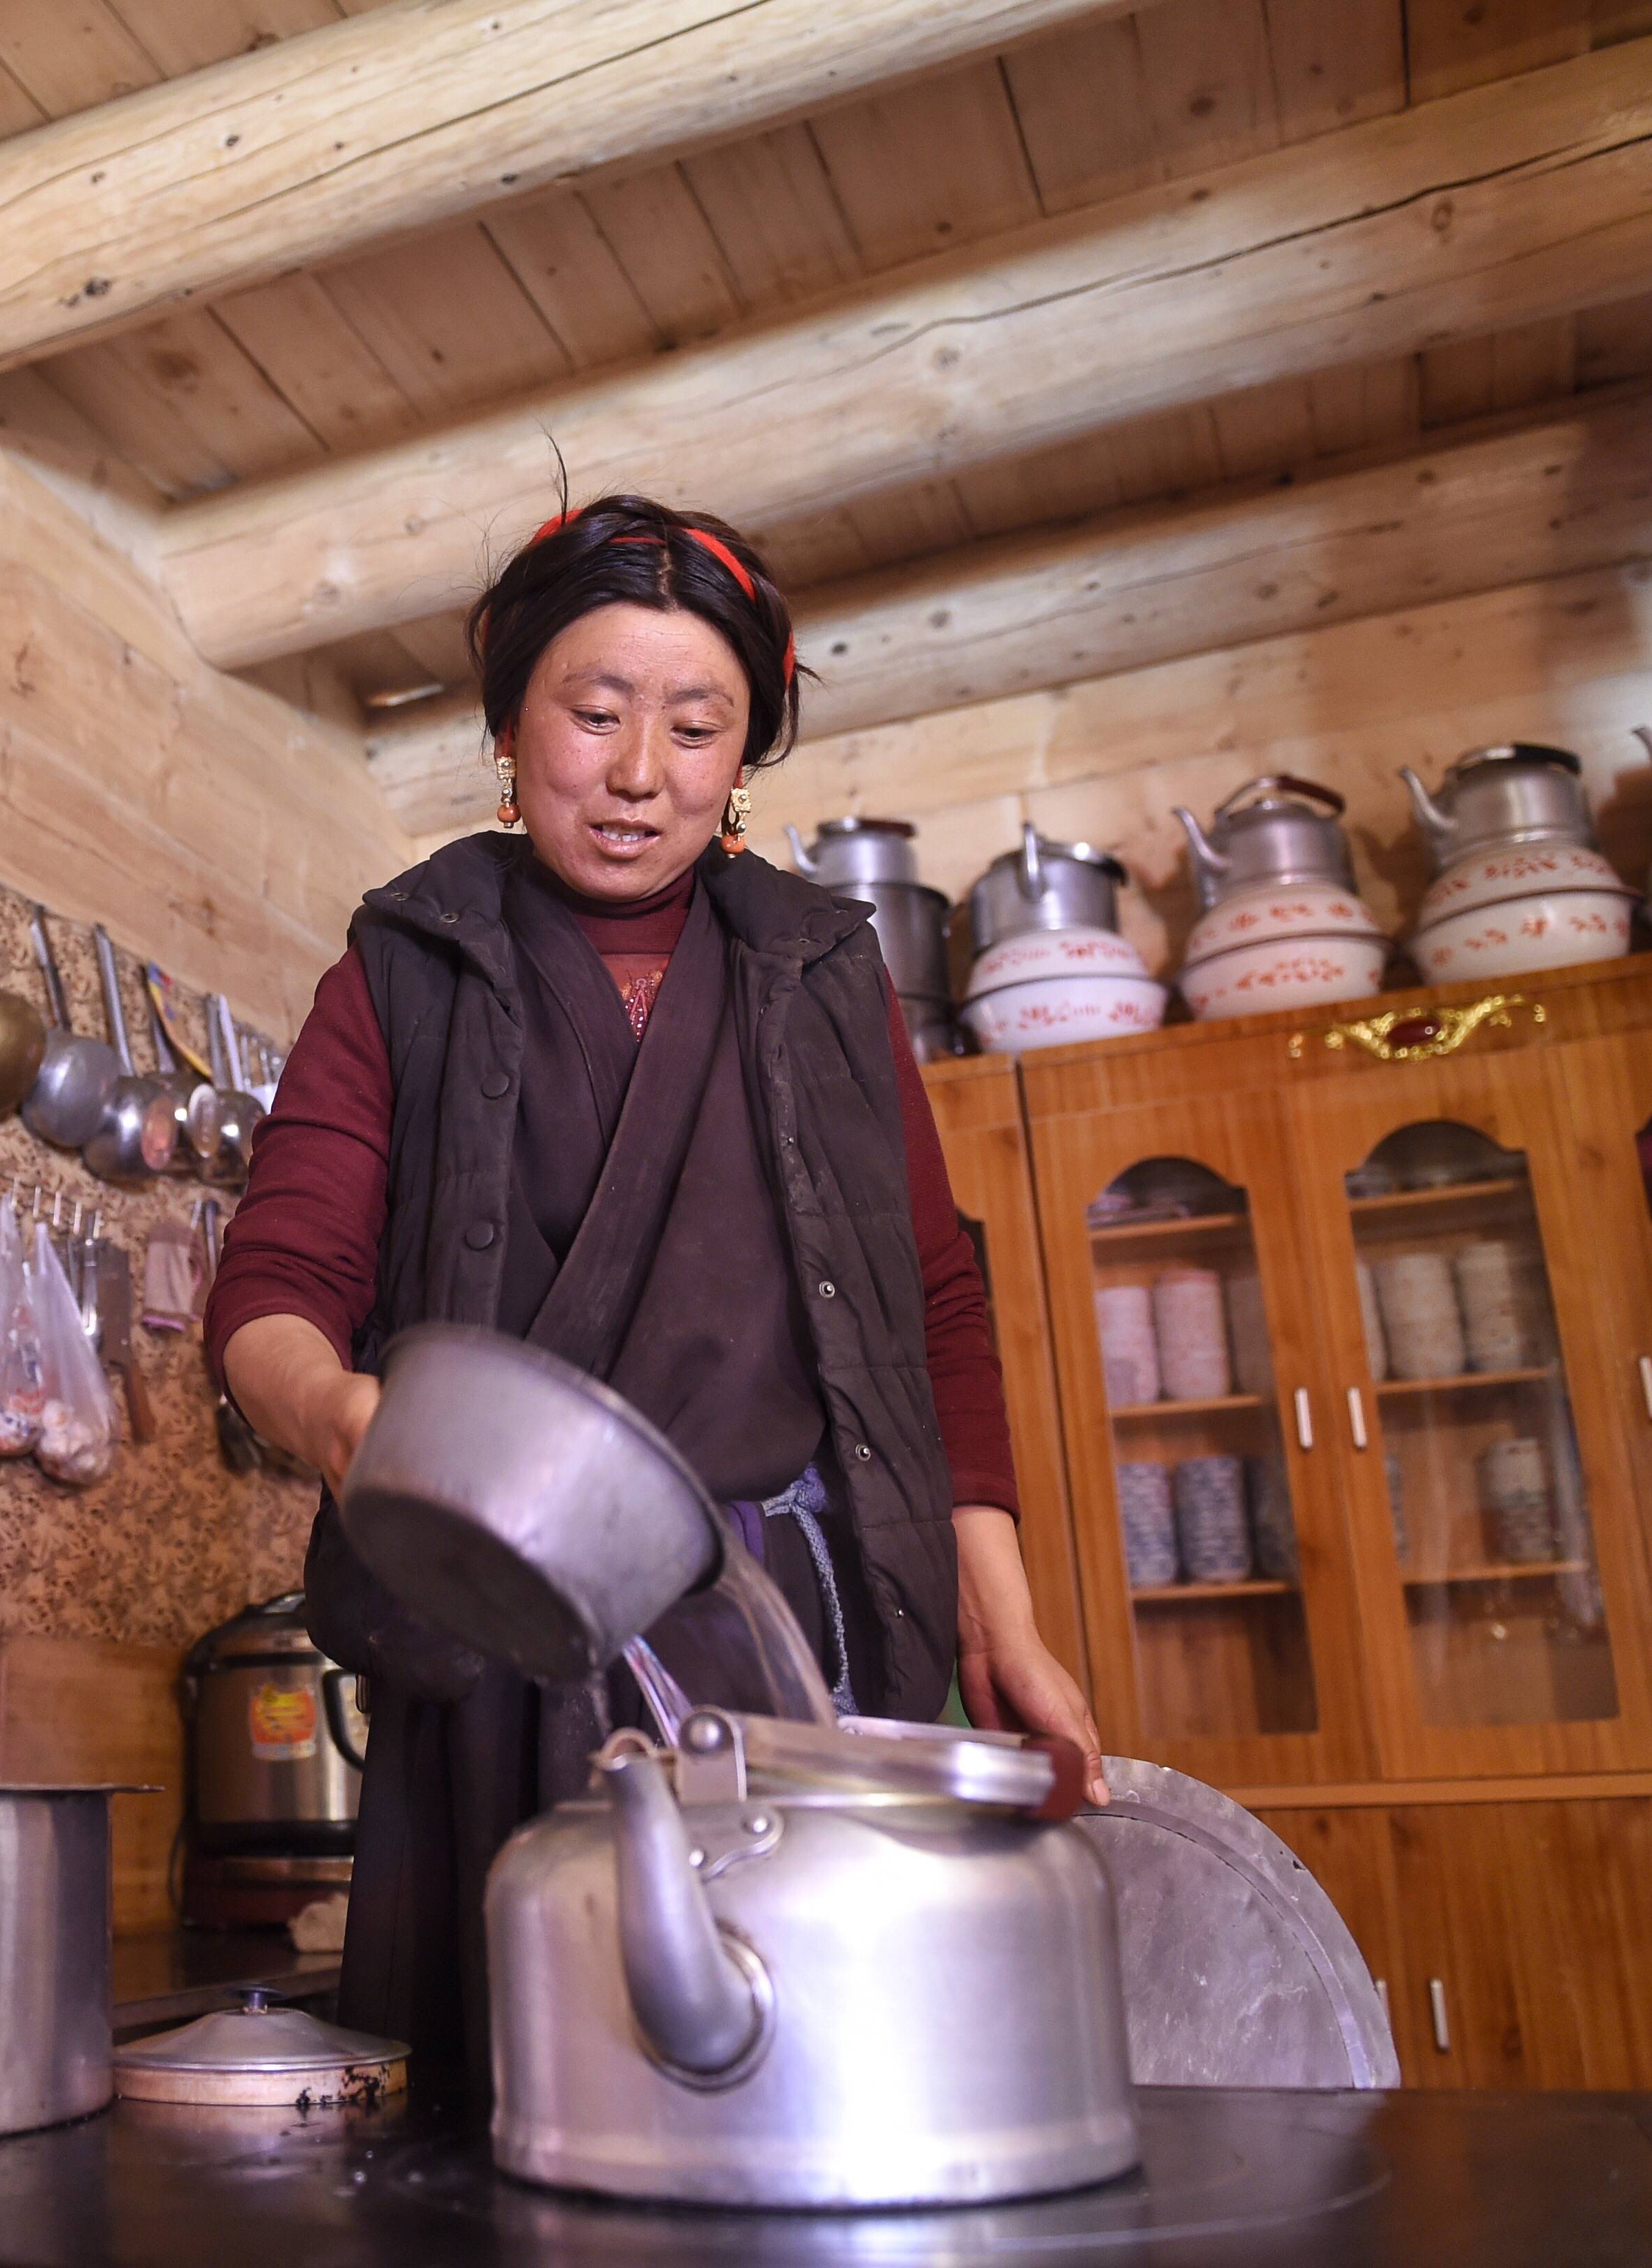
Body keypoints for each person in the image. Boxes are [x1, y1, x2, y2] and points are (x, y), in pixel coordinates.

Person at [203, 494, 1101, 2097]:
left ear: (741, 754)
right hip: (500, 1645)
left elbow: (929, 1315)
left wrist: (1006, 1624)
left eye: (694, 727)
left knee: (800, 2106)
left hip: (784, 1665)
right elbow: (273, 1291)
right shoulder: (408, 962)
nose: (637, 776)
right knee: (519, 2123)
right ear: (507, 720)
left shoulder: (823, 972)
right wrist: (353, 1426)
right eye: (593, 712)